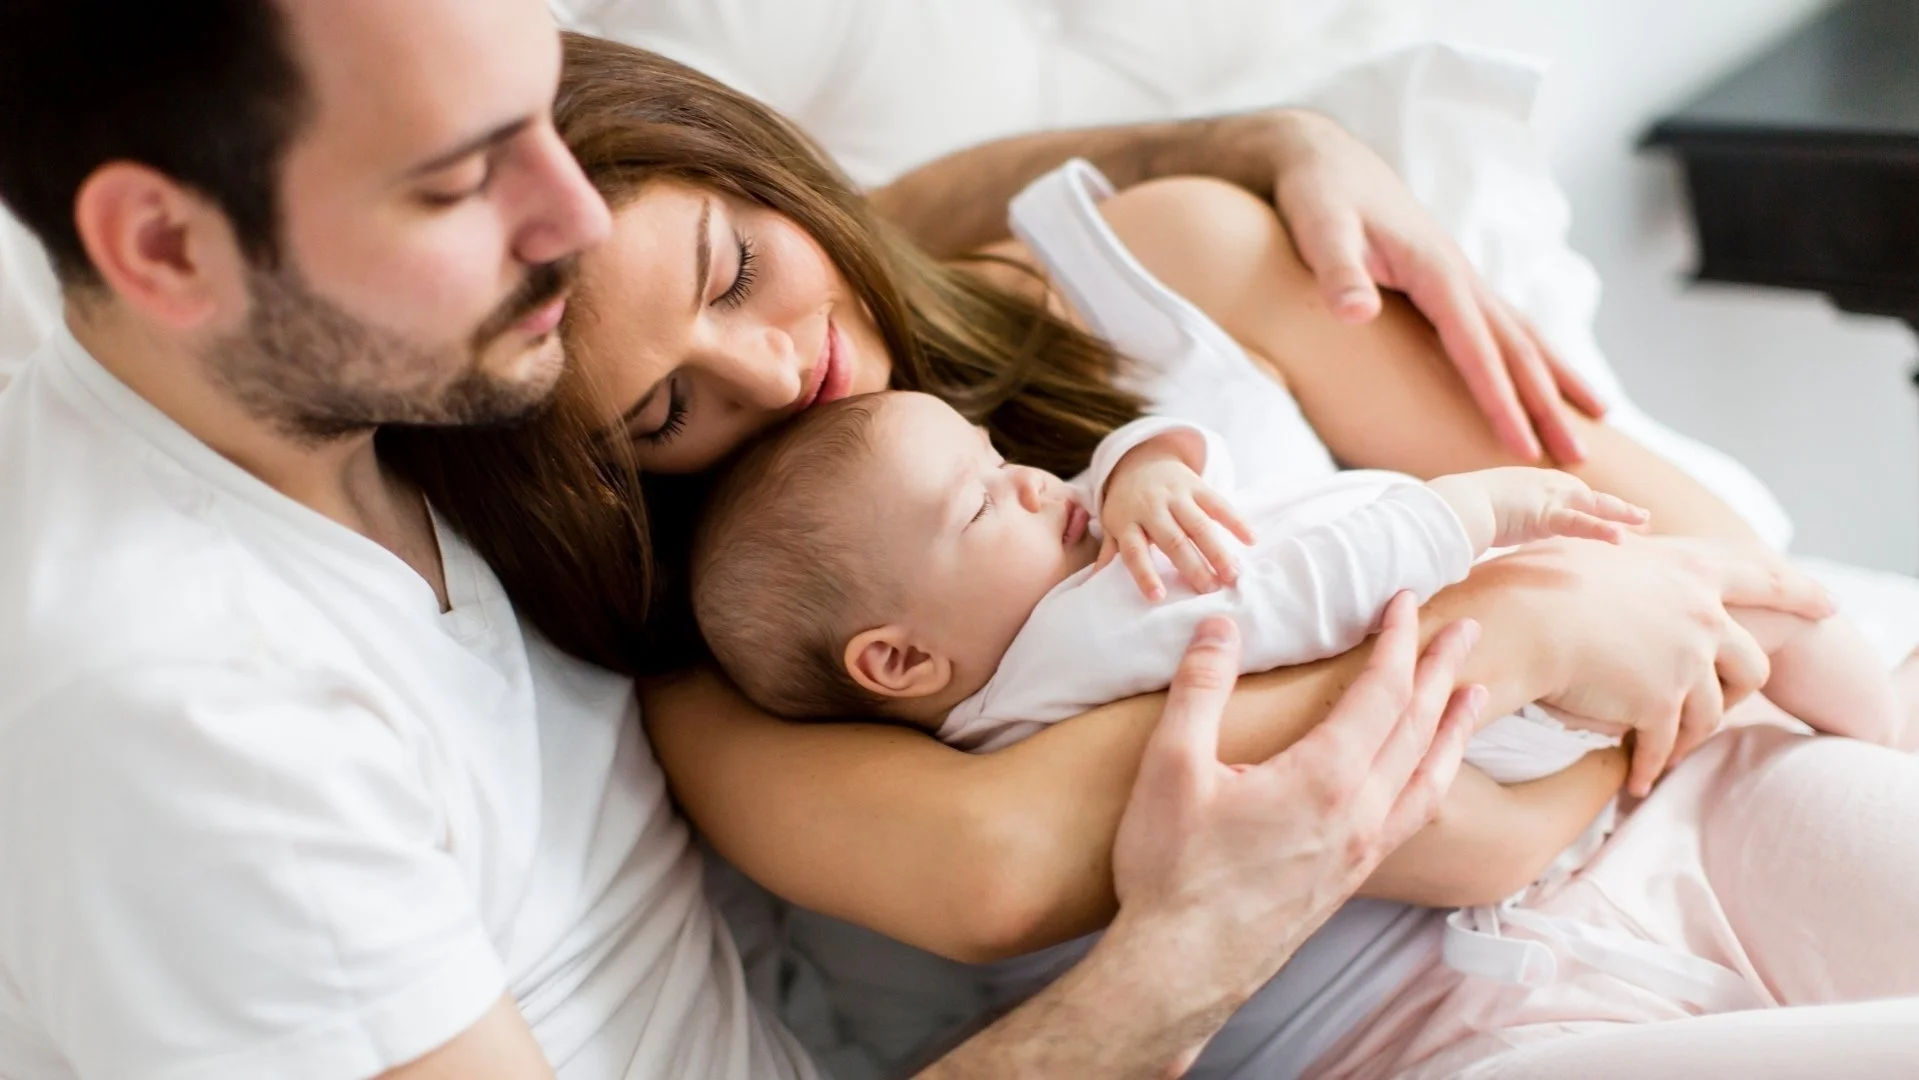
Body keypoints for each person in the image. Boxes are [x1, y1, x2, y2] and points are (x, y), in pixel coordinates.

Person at [0, 2, 1614, 1078]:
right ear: (163, 245)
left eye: (538, 120)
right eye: (462, 180)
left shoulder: (425, 372)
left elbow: (823, 248)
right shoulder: (195, 718)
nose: (566, 220)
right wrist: (1187, 951)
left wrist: (1227, 143)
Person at [389, 34, 1919, 1078]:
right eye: (664, 409)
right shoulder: (726, 671)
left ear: (775, 180)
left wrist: (1248, 139)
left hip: (1697, 799)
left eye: (738, 270)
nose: (776, 372)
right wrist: (1505, 636)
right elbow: (992, 867)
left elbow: (1681, 542)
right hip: (1419, 1022)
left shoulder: (1159, 266)